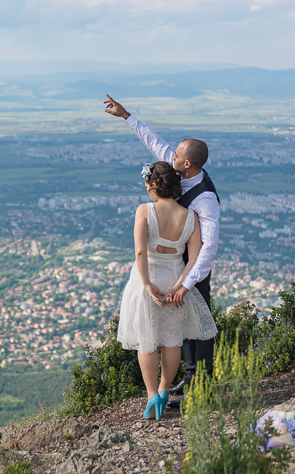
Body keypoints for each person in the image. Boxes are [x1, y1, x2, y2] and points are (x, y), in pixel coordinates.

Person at [104, 94, 220, 405]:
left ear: (187, 163)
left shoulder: (205, 199)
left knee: (197, 328)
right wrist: (128, 117)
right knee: (177, 329)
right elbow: (158, 146)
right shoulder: (180, 173)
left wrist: (187, 282)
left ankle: (201, 387)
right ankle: (188, 378)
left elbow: (208, 248)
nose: (171, 157)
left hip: (191, 271)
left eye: (177, 155)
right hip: (176, 264)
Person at [117, 161, 218, 419]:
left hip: (148, 279)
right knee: (172, 340)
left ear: (153, 187)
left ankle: (152, 395)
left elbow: (140, 251)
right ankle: (164, 389)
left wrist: (147, 283)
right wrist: (180, 285)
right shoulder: (191, 216)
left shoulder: (145, 211)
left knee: (147, 341)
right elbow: (193, 257)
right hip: (174, 279)